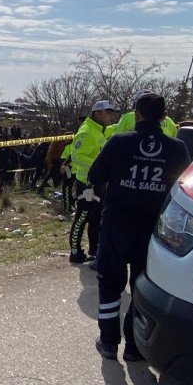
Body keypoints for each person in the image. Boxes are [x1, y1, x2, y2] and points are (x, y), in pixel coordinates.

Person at [89, 94, 190, 362]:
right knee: (141, 286)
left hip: (116, 224)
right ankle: (134, 346)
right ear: (164, 116)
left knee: (110, 283)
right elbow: (185, 188)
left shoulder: (119, 143)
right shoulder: (177, 149)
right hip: (152, 229)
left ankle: (108, 342)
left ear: (137, 114)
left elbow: (95, 176)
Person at [65, 100, 119, 266]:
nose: (110, 116)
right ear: (98, 113)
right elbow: (77, 156)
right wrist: (99, 166)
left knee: (96, 218)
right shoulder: (87, 131)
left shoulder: (99, 130)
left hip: (98, 183)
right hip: (86, 184)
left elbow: (114, 129)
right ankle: (75, 252)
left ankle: (94, 249)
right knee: (82, 218)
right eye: (108, 113)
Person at [110, 89, 179, 137]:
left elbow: (116, 135)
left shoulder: (127, 117)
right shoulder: (169, 121)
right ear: (164, 115)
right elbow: (176, 138)